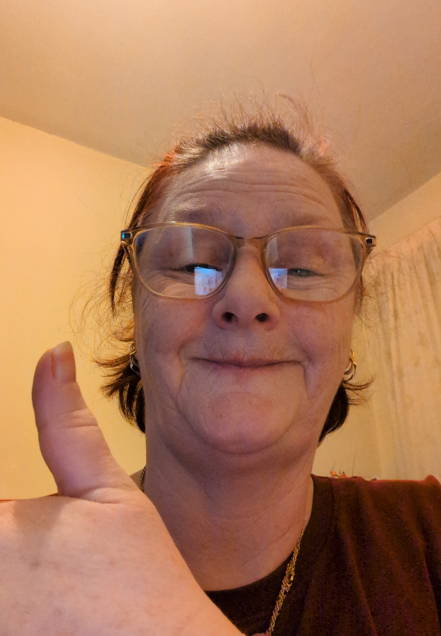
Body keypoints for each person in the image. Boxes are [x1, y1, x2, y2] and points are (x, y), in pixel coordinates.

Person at [1, 100, 440, 636]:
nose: (248, 297)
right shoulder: (14, 567)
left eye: (301, 268)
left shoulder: (430, 533)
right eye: (194, 264)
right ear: (135, 323)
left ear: (348, 330)